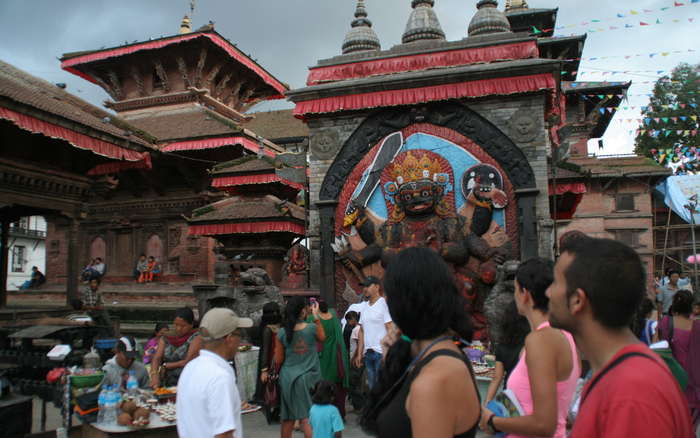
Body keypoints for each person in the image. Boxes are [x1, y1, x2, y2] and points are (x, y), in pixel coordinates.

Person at [546, 237, 693, 437]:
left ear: (577, 300)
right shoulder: (618, 376)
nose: (547, 292)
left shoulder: (630, 394)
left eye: (555, 282)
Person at [361, 247, 481, 438]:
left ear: (406, 300)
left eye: (389, 294)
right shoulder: (428, 355)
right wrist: (389, 355)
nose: (386, 300)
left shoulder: (436, 379)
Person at [480, 258, 579, 438]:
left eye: (516, 289)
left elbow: (544, 425)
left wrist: (493, 421)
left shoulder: (540, 340)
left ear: (525, 294)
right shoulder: (565, 335)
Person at [177, 307, 253, 438]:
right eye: (239, 335)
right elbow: (223, 433)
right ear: (229, 338)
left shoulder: (190, 368)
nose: (240, 341)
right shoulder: (220, 377)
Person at [274, 296, 325, 438]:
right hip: (307, 378)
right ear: (303, 311)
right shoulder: (312, 328)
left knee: (288, 417)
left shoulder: (282, 332)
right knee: (307, 417)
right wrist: (315, 316)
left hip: (288, 378)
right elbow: (322, 338)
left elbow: (278, 359)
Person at [657, 290, 700, 426]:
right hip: (693, 387)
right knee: (689, 428)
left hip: (671, 385)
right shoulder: (697, 327)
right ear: (691, 307)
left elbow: (655, 349)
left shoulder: (665, 323)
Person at [483, 300, 529, 404]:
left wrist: (487, 403)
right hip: (526, 397)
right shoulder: (532, 343)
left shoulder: (502, 346)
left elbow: (497, 378)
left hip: (508, 399)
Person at [352, 276, 393, 390]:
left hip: (381, 353)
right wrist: (360, 353)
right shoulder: (364, 306)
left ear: (377, 287)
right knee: (371, 389)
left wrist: (389, 352)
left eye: (368, 286)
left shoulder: (383, 304)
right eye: (364, 286)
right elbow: (362, 331)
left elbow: (390, 328)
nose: (365, 289)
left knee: (382, 389)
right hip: (368, 354)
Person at [312, 300, 350, 419]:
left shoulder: (313, 319)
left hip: (321, 358)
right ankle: (339, 414)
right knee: (337, 386)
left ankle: (322, 415)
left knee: (321, 386)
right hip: (336, 357)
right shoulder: (333, 316)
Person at [151, 307, 202, 388]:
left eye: (183, 326)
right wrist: (154, 374)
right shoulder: (166, 338)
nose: (178, 329)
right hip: (167, 382)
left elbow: (187, 361)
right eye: (176, 324)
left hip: (187, 381)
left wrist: (166, 365)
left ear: (191, 324)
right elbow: (157, 358)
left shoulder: (196, 337)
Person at [255, 302, 283, 424]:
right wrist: (264, 369)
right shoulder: (271, 329)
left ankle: (274, 412)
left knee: (272, 387)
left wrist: (263, 370)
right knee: (273, 386)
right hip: (274, 362)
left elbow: (265, 350)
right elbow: (266, 350)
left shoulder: (268, 328)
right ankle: (273, 412)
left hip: (275, 361)